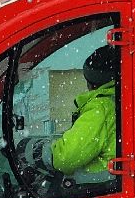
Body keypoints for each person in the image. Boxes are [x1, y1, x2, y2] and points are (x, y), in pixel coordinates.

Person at [50, 45, 119, 175]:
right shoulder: (125, 101)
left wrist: (43, 152)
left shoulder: (100, 109)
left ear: (91, 82)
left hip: (102, 184)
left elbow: (64, 158)